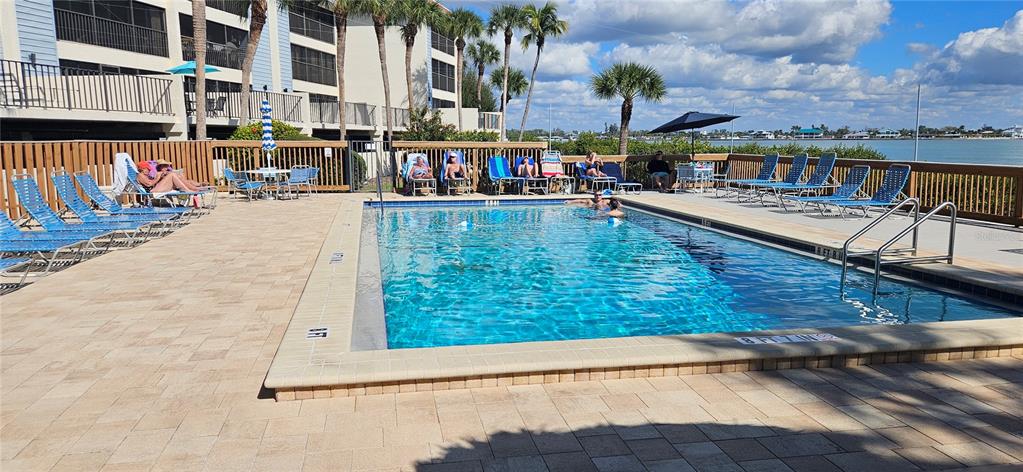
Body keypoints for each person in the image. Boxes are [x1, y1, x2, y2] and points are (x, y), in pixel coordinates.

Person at [136, 161, 204, 193]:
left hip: (157, 188)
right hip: (154, 191)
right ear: (142, 169)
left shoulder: (145, 175)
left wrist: (161, 177)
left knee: (175, 175)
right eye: (148, 169)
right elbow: (149, 184)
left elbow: (152, 182)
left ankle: (193, 188)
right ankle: (188, 190)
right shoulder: (140, 175)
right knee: (172, 175)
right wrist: (158, 177)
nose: (149, 170)